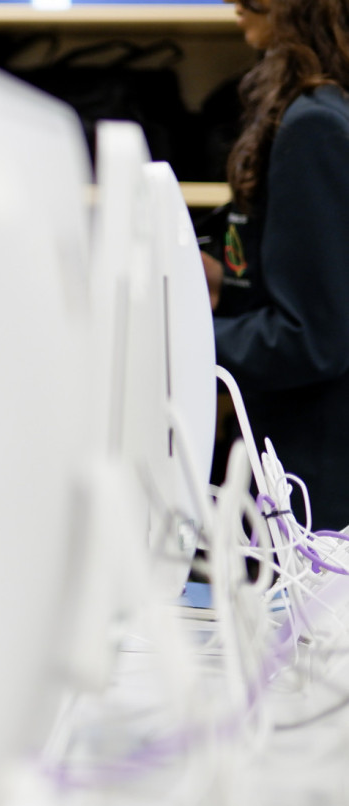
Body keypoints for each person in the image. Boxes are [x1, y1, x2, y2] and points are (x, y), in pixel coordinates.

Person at [202, 0, 349, 530]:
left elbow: (312, 338)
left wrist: (183, 339)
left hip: (310, 484)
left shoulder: (314, 125)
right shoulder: (322, 109)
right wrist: (230, 282)